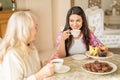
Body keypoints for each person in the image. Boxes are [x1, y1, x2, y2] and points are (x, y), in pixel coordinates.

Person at [0, 11, 54, 80]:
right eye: (35, 27)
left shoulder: (30, 46)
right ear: (25, 30)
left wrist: (42, 64)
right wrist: (39, 75)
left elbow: (29, 67)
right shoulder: (12, 55)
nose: (37, 30)